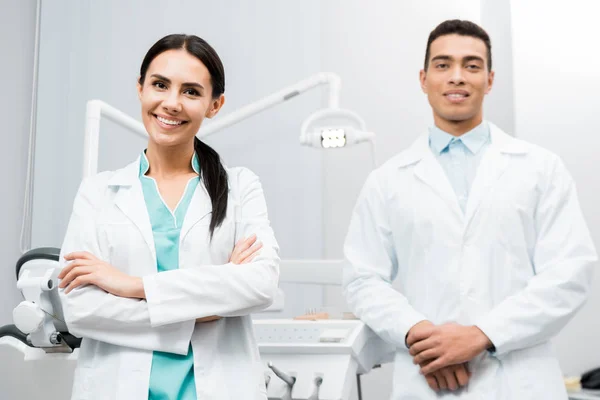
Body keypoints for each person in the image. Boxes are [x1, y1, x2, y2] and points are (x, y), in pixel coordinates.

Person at [342, 19, 597, 399]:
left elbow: (569, 272)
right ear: (424, 78)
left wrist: (481, 335)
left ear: (489, 80)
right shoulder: (387, 180)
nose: (457, 76)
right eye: (443, 65)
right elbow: (362, 278)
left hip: (519, 381)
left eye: (472, 65)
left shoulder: (541, 168)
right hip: (429, 377)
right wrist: (421, 335)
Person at [56, 34, 279, 400]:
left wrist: (132, 286)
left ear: (215, 104)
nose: (171, 103)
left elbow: (259, 284)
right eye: (160, 85)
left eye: (191, 91)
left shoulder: (240, 187)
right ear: (141, 88)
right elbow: (80, 309)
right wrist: (202, 309)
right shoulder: (97, 192)